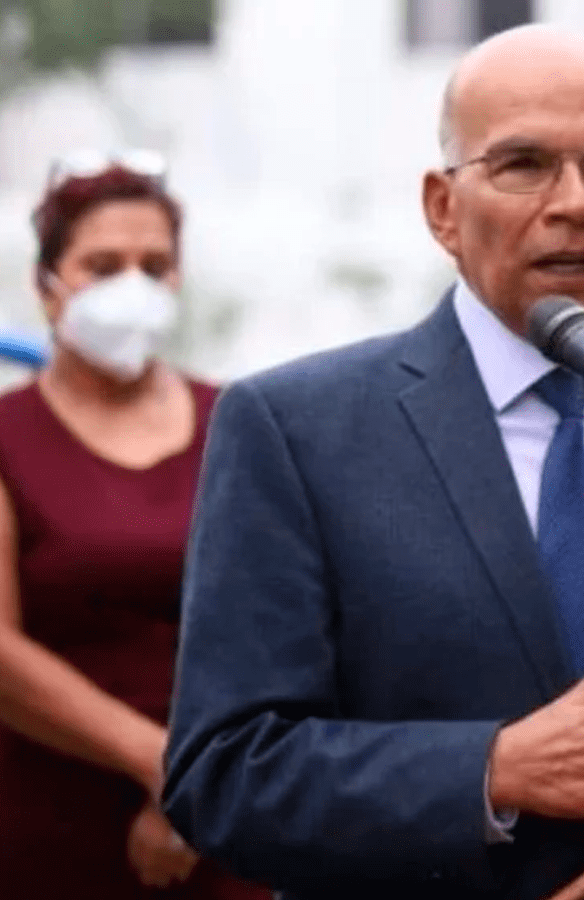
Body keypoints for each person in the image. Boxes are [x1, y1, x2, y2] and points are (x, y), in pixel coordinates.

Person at [162, 25, 584, 900]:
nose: (575, 202)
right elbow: (225, 773)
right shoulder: (295, 431)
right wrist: (491, 770)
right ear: (442, 208)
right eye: (524, 165)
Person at [0, 154, 269, 898]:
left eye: (154, 266)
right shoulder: (8, 436)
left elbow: (285, 623)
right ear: (47, 286)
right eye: (103, 266)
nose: (133, 287)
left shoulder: (242, 421)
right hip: (51, 821)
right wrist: (164, 766)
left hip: (229, 811)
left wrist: (197, 784)